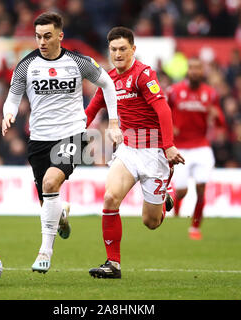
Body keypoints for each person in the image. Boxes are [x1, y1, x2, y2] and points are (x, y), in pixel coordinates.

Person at [1, 12, 122, 273]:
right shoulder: (26, 65)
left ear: (59, 36)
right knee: (48, 203)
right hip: (39, 139)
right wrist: (7, 114)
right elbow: (13, 96)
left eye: (47, 36)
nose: (42, 41)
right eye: (38, 37)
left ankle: (45, 253)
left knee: (50, 182)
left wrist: (113, 122)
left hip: (72, 135)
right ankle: (61, 215)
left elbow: (108, 83)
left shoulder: (78, 62)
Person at [85, 26, 185, 279]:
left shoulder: (143, 75)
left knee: (151, 222)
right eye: (113, 49)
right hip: (128, 150)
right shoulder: (107, 80)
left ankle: (166, 194)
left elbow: (163, 109)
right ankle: (113, 264)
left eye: (123, 49)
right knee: (110, 198)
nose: (118, 54)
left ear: (133, 50)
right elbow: (91, 110)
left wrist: (169, 145)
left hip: (154, 152)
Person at [166, 57, 226, 240]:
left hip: (201, 147)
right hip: (180, 147)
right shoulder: (174, 92)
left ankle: (195, 227)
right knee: (182, 191)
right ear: (187, 71)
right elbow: (162, 112)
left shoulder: (211, 93)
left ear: (202, 71)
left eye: (198, 68)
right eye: (191, 68)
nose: (194, 71)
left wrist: (216, 116)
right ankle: (176, 212)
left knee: (201, 187)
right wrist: (170, 126)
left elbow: (221, 121)